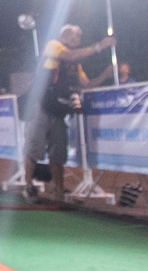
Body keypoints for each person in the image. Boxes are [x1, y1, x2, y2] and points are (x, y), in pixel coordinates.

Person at [25, 24, 114, 203]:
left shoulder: (76, 65)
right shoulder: (53, 46)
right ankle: (29, 186)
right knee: (34, 148)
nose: (77, 39)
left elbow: (87, 84)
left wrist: (105, 75)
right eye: (74, 35)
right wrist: (99, 46)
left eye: (79, 36)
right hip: (41, 106)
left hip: (59, 111)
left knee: (58, 152)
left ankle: (58, 189)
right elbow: (71, 55)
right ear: (64, 35)